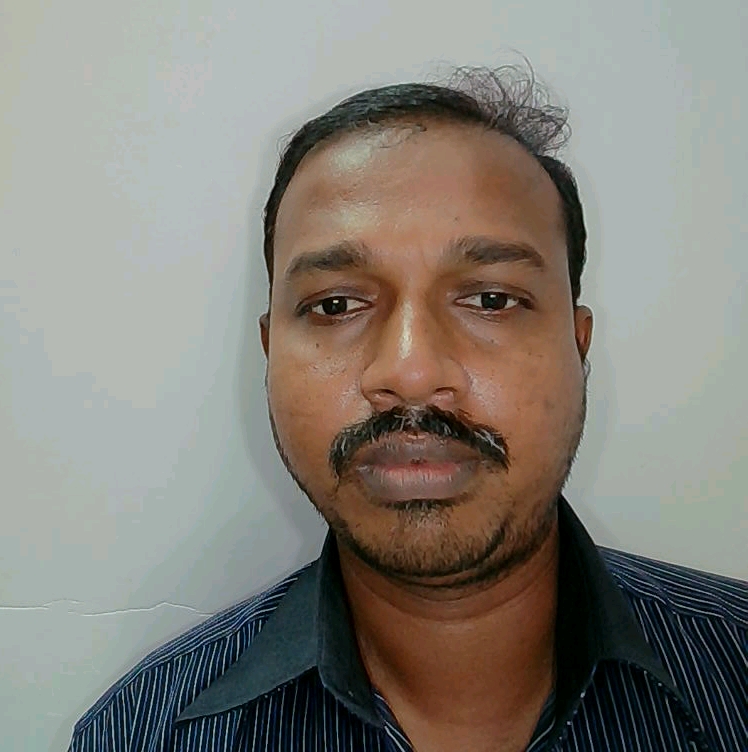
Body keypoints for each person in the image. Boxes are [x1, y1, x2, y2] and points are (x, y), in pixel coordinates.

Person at [68, 67, 746, 752]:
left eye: (490, 300)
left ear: (579, 344)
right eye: (336, 305)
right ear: (269, 353)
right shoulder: (140, 734)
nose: (412, 373)